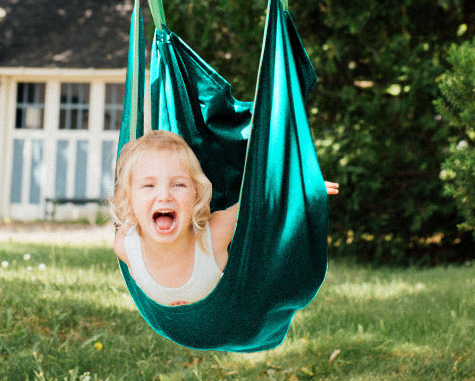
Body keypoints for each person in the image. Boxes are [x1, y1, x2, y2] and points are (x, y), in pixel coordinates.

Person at [111, 129, 338, 307]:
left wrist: (298, 190)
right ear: (129, 201)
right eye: (148, 186)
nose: (164, 196)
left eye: (178, 184)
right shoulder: (126, 246)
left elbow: (254, 204)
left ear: (196, 195)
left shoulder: (213, 236)